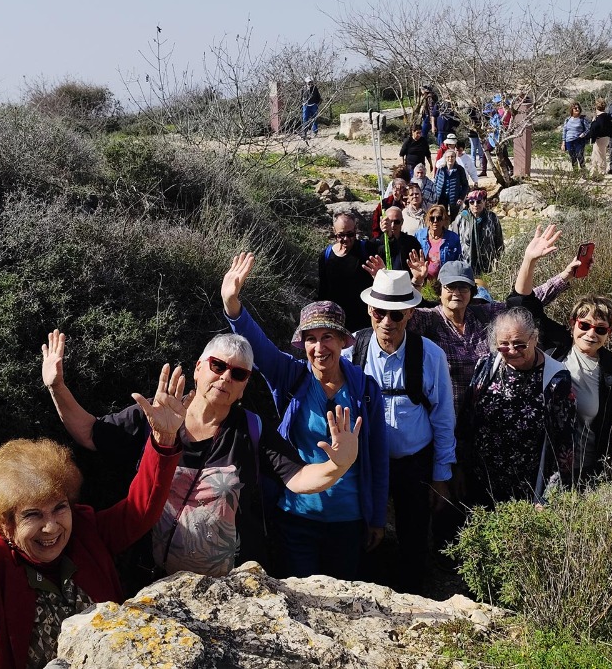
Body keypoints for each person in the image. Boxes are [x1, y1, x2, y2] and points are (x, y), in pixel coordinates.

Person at [0, 365, 186, 669]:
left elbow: (140, 510)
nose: (51, 527)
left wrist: (163, 439)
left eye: (59, 508)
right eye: (32, 515)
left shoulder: (87, 532)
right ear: (6, 525)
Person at [42, 331, 360, 579]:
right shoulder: (158, 414)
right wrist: (57, 386)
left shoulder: (251, 429)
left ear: (245, 386)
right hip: (150, 579)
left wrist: (337, 464)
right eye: (218, 366)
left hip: (229, 588)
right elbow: (88, 433)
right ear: (198, 368)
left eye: (238, 374)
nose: (225, 377)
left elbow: (300, 479)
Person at [222, 254, 388, 580]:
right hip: (296, 516)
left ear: (343, 341)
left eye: (327, 336)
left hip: (348, 520)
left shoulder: (365, 389)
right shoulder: (292, 376)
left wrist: (377, 518)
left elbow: (377, 456)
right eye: (310, 338)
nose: (319, 346)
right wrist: (233, 305)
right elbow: (259, 347)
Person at [347, 269, 456, 594]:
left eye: (396, 314)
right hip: (366, 462)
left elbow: (443, 418)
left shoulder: (431, 356)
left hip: (414, 464)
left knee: (413, 533)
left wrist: (440, 476)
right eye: (380, 312)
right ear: (370, 310)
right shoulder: (353, 351)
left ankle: (414, 594)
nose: (387, 322)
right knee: (366, 529)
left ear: (410, 313)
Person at [507, 225, 612, 488]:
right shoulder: (557, 346)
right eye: (584, 325)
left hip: (587, 471)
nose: (590, 333)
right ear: (573, 323)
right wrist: (530, 260)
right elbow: (521, 304)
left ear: (609, 333)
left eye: (600, 329)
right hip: (539, 463)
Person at [406, 258, 575, 416]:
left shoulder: (483, 315)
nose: (457, 292)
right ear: (439, 290)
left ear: (472, 291)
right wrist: (417, 283)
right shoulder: (428, 319)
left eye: (463, 287)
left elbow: (525, 302)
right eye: (450, 286)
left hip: (485, 418)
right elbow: (401, 315)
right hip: (443, 417)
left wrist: (564, 277)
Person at [459, 305, 574, 505]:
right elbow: (465, 422)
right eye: (503, 345)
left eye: (520, 344)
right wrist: (457, 470)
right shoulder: (486, 365)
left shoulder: (556, 378)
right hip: (479, 482)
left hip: (527, 490)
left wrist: (550, 496)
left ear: (534, 338)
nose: (511, 351)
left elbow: (563, 443)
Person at [318, 212, 374, 331]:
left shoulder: (367, 250)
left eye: (350, 234)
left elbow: (390, 247)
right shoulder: (326, 256)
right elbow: (323, 290)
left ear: (356, 230)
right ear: (334, 231)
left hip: (363, 322)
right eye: (341, 235)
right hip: (336, 322)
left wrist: (389, 234)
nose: (346, 239)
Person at [450, 189, 503, 275]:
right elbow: (453, 241)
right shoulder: (461, 218)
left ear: (484, 201)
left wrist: (498, 261)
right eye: (471, 202)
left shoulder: (492, 218)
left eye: (479, 201)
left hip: (487, 266)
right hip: (465, 265)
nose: (475, 205)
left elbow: (499, 241)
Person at [368, 206, 424, 278]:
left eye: (396, 222)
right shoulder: (375, 243)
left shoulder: (411, 242)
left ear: (402, 222)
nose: (393, 225)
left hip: (406, 284)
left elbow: (420, 265)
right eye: (390, 221)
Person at [414, 205, 462, 282]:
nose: (435, 221)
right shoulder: (419, 235)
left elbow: (458, 260)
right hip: (424, 281)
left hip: (445, 280)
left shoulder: (453, 238)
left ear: (444, 220)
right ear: (428, 220)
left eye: (439, 218)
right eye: (432, 218)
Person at [371, 165, 411, 238]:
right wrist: (377, 237)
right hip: (386, 235)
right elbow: (375, 222)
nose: (396, 191)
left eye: (400, 189)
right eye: (395, 188)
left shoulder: (407, 202)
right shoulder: (384, 203)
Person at [581, 98, 612, 177]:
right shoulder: (608, 116)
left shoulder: (599, 117)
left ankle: (600, 172)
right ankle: (595, 171)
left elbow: (594, 129)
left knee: (599, 155)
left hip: (599, 139)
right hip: (606, 138)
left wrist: (586, 136)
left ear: (596, 106)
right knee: (597, 154)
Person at [433, 148, 471, 217]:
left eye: (452, 156)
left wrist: (461, 198)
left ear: (455, 157)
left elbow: (465, 185)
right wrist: (435, 196)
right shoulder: (441, 169)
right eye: (448, 157)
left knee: (454, 218)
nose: (450, 158)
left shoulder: (460, 169)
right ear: (445, 158)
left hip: (454, 198)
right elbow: (435, 183)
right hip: (441, 197)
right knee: (442, 217)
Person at [510, 89, 533, 179]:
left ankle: (525, 172)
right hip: (517, 128)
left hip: (525, 128)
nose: (521, 94)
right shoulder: (515, 101)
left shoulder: (528, 100)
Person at [561, 101, 590, 171]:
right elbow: (564, 131)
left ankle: (584, 173)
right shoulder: (567, 119)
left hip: (579, 140)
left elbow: (589, 128)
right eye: (575, 108)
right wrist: (563, 143)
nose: (577, 109)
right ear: (572, 110)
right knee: (573, 157)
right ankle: (575, 173)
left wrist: (584, 134)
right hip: (569, 141)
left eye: (578, 108)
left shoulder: (582, 119)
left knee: (580, 156)